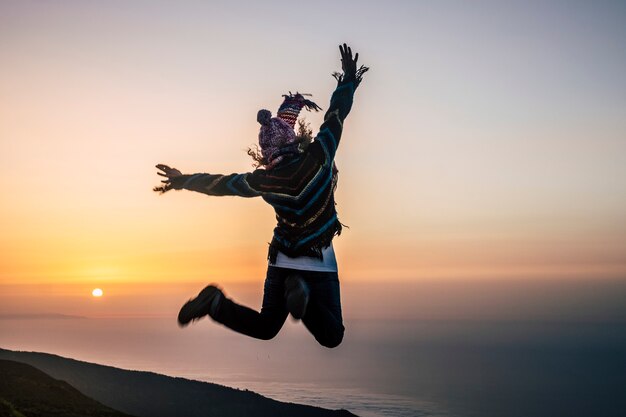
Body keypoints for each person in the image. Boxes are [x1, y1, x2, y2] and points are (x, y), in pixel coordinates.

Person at [154, 44, 368, 348]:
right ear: (292, 141)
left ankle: (215, 303)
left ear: (267, 151)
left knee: (267, 327)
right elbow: (336, 116)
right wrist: (347, 79)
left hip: (282, 259)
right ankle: (302, 300)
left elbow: (221, 184)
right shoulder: (319, 156)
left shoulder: (264, 180)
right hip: (318, 261)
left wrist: (182, 180)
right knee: (332, 336)